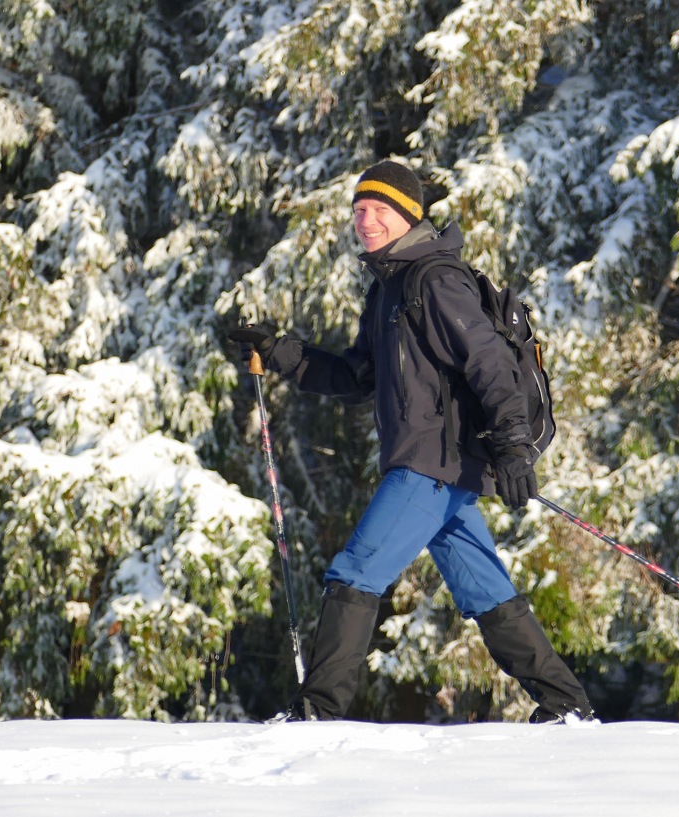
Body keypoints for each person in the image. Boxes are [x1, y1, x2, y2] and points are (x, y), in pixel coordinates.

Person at [230, 160, 593, 724]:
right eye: (358, 211)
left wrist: (515, 445)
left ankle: (317, 712)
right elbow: (358, 376)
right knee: (484, 589)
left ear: (408, 216)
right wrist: (281, 352)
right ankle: (566, 705)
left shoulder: (436, 279)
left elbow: (489, 362)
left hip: (431, 464)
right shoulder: (389, 291)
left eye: (379, 211)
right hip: (439, 469)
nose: (365, 221)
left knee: (355, 571)